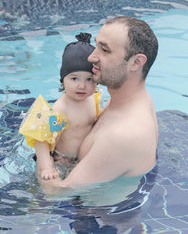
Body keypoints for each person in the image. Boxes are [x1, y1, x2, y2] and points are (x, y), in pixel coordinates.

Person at [39, 16, 159, 195]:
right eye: (97, 45)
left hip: (96, 217)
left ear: (136, 62)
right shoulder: (125, 101)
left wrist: (43, 162)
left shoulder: (122, 135)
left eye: (105, 50)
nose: (91, 56)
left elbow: (56, 193)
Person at [19, 33, 103, 180]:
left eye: (89, 79)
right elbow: (41, 140)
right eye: (74, 78)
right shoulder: (60, 109)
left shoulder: (94, 100)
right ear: (63, 80)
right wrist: (47, 167)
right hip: (60, 161)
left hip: (80, 160)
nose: (82, 86)